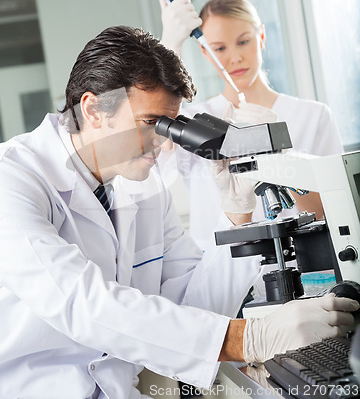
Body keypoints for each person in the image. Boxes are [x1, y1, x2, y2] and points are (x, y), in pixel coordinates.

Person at [0, 26, 356, 399]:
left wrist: (238, 214)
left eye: (170, 124)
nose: (163, 142)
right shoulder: (14, 178)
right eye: (150, 123)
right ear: (92, 109)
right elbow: (82, 303)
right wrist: (248, 338)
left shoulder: (143, 186)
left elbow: (194, 303)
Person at [157, 0, 344, 250]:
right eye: (219, 48)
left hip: (304, 269)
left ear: (262, 36)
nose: (235, 57)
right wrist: (170, 49)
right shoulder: (189, 119)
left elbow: (333, 210)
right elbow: (155, 160)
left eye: (244, 41)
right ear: (205, 53)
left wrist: (282, 158)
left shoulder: (313, 116)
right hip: (220, 272)